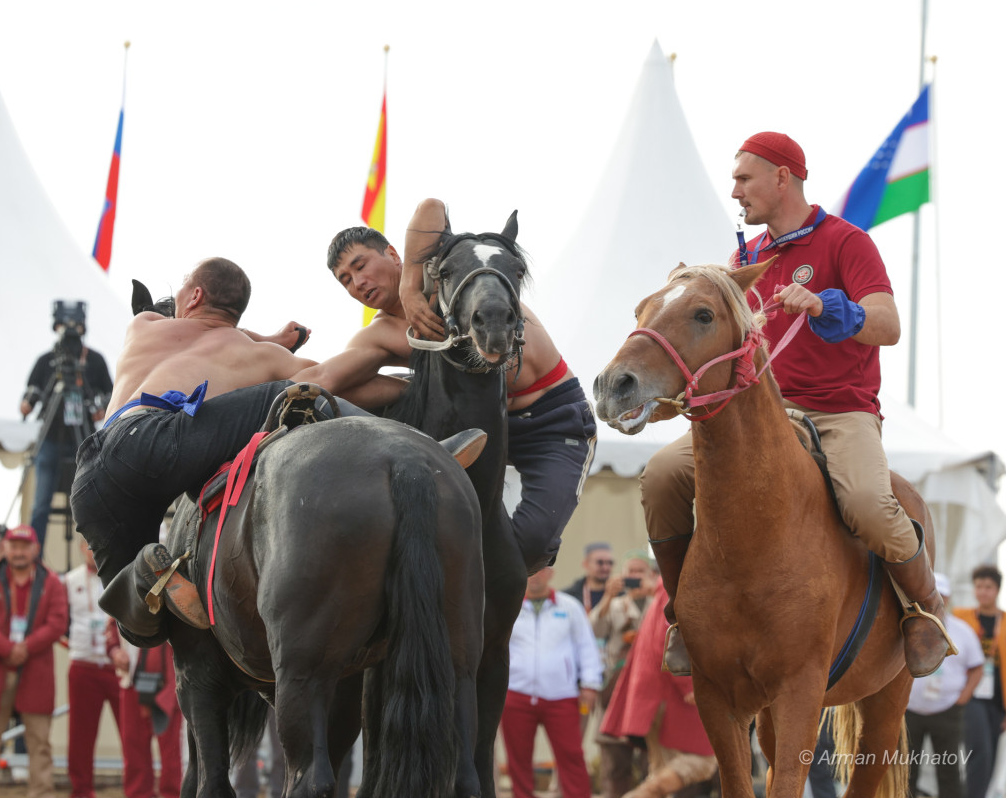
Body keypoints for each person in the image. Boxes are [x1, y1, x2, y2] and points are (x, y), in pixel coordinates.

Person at [642, 131, 951, 677]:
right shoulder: (744, 258)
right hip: (763, 417)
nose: (735, 191)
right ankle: (685, 614)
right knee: (662, 474)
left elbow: (889, 325)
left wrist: (831, 307)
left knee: (868, 503)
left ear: (781, 177)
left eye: (744, 178)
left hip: (839, 413)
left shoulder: (846, 242)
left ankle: (925, 609)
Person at [73, 256, 480, 645]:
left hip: (92, 477)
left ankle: (141, 574)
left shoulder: (144, 325)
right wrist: (415, 389)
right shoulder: (259, 356)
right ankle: (422, 448)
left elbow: (208, 332)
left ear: (194, 297)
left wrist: (270, 337)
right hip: (155, 442)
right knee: (291, 393)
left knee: (146, 627)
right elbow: (328, 380)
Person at [307, 198, 597, 574]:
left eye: (360, 265)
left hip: (550, 417)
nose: (357, 282)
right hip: (478, 432)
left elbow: (432, 206)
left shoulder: (444, 273)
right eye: (345, 279)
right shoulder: (379, 335)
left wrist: (412, 291)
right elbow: (329, 382)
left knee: (528, 545)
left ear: (394, 254)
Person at [0, 525, 68, 798]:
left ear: (35, 549)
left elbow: (58, 622)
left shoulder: (51, 582)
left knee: (39, 743)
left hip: (36, 670)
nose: (20, 552)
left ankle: (41, 793)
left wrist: (26, 647)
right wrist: (7, 648)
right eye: (15, 546)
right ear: (6, 548)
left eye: (25, 546)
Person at [600, 581, 716, 798]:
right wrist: (688, 685)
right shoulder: (674, 589)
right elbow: (668, 637)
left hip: (657, 693)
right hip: (666, 695)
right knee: (705, 761)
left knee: (662, 771)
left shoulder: (670, 589)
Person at [500, 565, 602, 798]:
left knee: (571, 755)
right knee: (518, 759)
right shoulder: (508, 606)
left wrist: (589, 683)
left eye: (540, 570)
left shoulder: (569, 607)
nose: (535, 576)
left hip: (561, 696)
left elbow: (586, 646)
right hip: (516, 694)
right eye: (530, 571)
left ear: (550, 573)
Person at [20, 307, 114, 551]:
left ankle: (98, 553)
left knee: (92, 499)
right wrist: (28, 403)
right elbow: (29, 397)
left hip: (83, 440)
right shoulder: (47, 361)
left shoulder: (94, 360)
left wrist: (101, 406)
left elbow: (111, 394)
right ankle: (35, 559)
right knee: (41, 504)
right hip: (50, 438)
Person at [905, 573, 982, 798]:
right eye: (930, 595)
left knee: (949, 769)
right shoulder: (907, 627)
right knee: (906, 769)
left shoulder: (963, 631)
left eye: (940, 595)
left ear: (947, 599)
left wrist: (963, 697)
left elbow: (977, 667)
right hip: (910, 710)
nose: (935, 601)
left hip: (948, 710)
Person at [591, 556, 656, 798]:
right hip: (617, 687)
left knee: (653, 761)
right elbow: (595, 630)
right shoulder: (616, 605)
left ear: (650, 574)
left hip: (649, 688)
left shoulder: (661, 602)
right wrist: (607, 596)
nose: (636, 576)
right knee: (615, 763)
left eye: (641, 571)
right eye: (631, 571)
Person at [64, 536, 121, 798]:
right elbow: (59, 621)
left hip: (117, 667)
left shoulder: (119, 577)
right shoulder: (69, 581)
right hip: (83, 664)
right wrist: (74, 647)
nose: (92, 550)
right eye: (87, 545)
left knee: (130, 732)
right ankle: (81, 790)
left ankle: (135, 788)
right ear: (80, 549)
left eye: (97, 544)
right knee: (81, 736)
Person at [106, 622, 182, 798]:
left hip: (169, 683)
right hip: (133, 681)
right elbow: (111, 626)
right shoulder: (124, 594)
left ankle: (173, 794)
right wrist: (115, 651)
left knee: (171, 750)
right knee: (133, 747)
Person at [953, 564, 1005, 798]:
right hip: (970, 695)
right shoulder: (960, 617)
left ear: (997, 590)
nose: (983, 592)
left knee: (992, 756)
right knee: (980, 752)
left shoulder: (1004, 621)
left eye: (988, 587)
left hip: (997, 699)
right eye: (979, 587)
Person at [562, 542, 616, 614]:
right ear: (585, 564)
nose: (605, 567)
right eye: (600, 562)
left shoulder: (619, 595)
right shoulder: (568, 597)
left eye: (609, 562)